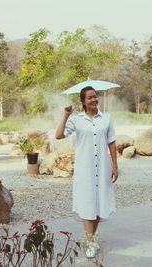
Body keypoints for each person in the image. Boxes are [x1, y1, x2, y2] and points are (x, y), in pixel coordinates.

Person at [55, 86, 118, 259]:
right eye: (89, 98)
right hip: (85, 169)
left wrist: (115, 166)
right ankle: (90, 242)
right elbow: (59, 135)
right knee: (87, 202)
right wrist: (66, 115)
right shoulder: (77, 120)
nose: (93, 100)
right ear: (83, 102)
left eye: (95, 96)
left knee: (99, 204)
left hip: (103, 167)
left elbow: (111, 142)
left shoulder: (106, 118)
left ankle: (90, 239)